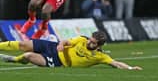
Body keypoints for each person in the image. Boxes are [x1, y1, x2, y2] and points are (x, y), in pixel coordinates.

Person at [0, 31, 142, 70]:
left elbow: (115, 63)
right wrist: (61, 44)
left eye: (92, 43)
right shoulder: (82, 39)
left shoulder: (100, 56)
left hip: (57, 61)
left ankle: (13, 59)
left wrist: (130, 68)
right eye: (89, 40)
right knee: (23, 44)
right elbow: (67, 41)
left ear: (98, 46)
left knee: (28, 55)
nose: (89, 42)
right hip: (53, 47)